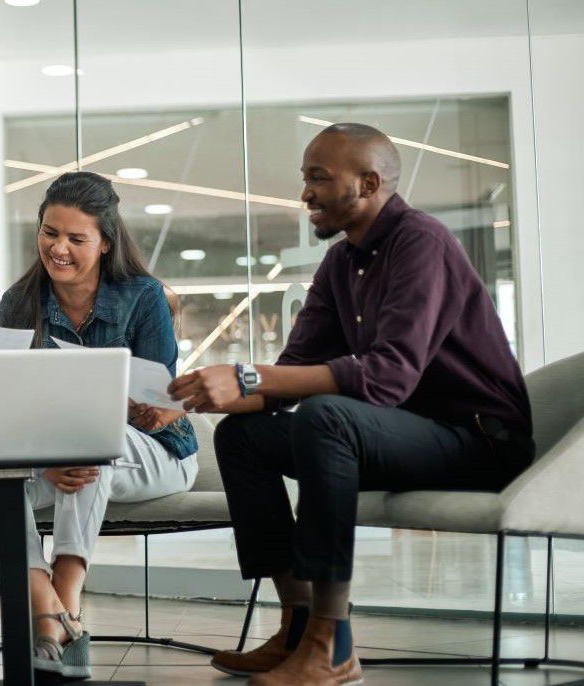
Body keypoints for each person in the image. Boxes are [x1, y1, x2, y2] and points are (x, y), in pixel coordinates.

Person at [168, 123, 534, 686]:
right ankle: (295, 628)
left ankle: (331, 641)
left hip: (478, 439)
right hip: (405, 431)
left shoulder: (423, 242)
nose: (305, 194)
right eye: (305, 179)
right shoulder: (341, 264)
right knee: (242, 437)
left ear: (367, 183)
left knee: (327, 415)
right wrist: (193, 401)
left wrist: (244, 375)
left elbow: (386, 378)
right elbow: (290, 373)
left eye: (318, 178)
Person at [0, 171, 200, 680]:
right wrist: (44, 457)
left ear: (105, 242)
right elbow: (6, 404)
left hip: (154, 452)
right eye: (50, 233)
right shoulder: (18, 303)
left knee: (87, 440)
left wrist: (148, 408)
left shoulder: (143, 297)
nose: (59, 249)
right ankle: (46, 610)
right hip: (56, 455)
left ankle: (63, 599)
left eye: (76, 238)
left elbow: (165, 397)